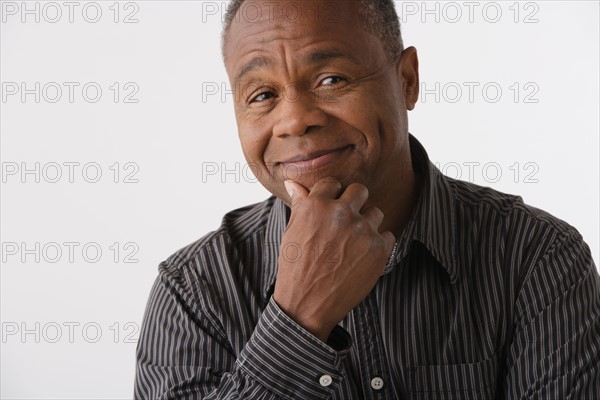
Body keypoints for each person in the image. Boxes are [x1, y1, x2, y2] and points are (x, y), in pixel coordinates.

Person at [134, 0, 600, 398]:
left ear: (408, 80)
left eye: (332, 79)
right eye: (262, 94)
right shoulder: (193, 290)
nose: (294, 120)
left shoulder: (537, 257)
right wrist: (298, 320)